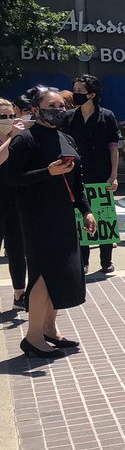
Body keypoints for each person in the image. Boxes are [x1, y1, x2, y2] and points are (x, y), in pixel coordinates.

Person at [5, 87, 97, 359]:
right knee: (43, 275)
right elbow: (14, 178)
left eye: (61, 106)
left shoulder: (66, 138)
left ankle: (49, 330)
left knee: (61, 274)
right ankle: (32, 337)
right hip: (37, 218)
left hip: (63, 216)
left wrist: (86, 210)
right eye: (51, 105)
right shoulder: (25, 141)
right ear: (36, 109)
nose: (57, 110)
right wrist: (48, 171)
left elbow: (76, 181)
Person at [64, 75, 119, 274]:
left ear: (92, 94)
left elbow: (113, 148)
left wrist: (114, 175)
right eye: (74, 90)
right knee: (81, 217)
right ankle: (83, 260)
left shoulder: (107, 116)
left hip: (102, 173)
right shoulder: (68, 117)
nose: (76, 94)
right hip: (77, 175)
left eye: (80, 90)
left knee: (104, 217)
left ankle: (106, 261)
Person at [0, 98, 28, 310]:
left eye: (11, 116)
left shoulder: (20, 139)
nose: (9, 120)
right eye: (3, 117)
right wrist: (12, 139)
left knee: (17, 251)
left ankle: (19, 294)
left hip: (16, 203)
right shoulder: (13, 140)